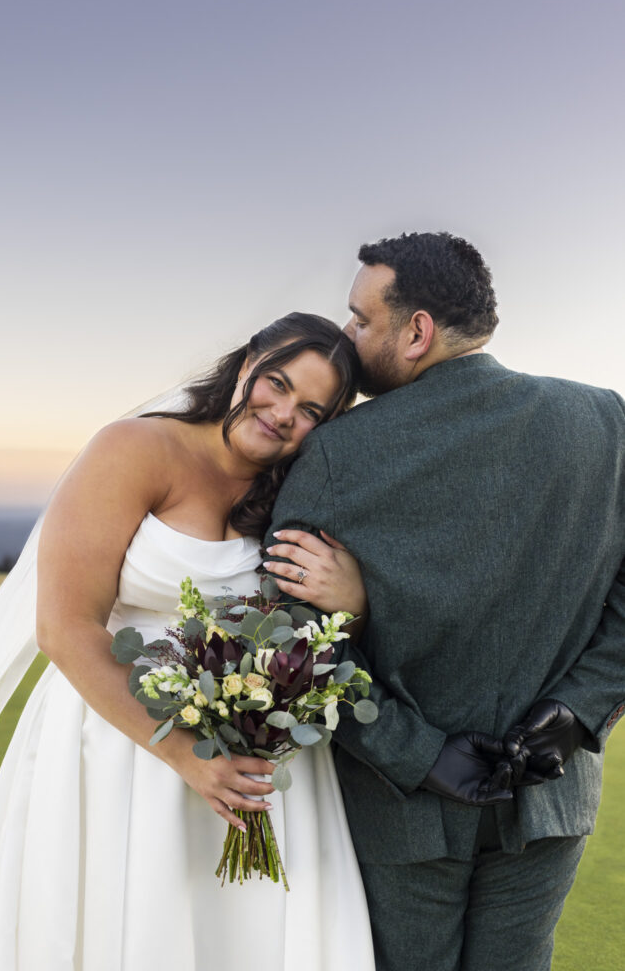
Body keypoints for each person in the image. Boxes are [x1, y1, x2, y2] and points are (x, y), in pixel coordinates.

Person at [0, 312, 377, 971]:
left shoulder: (298, 490)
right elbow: (64, 626)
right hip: (116, 743)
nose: (284, 412)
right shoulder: (136, 448)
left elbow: (301, 623)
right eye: (278, 383)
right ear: (246, 361)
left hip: (249, 748)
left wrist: (351, 600)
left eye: (311, 409)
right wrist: (184, 755)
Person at [265, 233, 625, 971]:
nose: (350, 339)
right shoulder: (606, 421)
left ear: (416, 331)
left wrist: (422, 754)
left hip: (400, 807)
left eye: (361, 321)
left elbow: (297, 645)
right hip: (548, 798)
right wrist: (577, 713)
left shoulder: (334, 451)